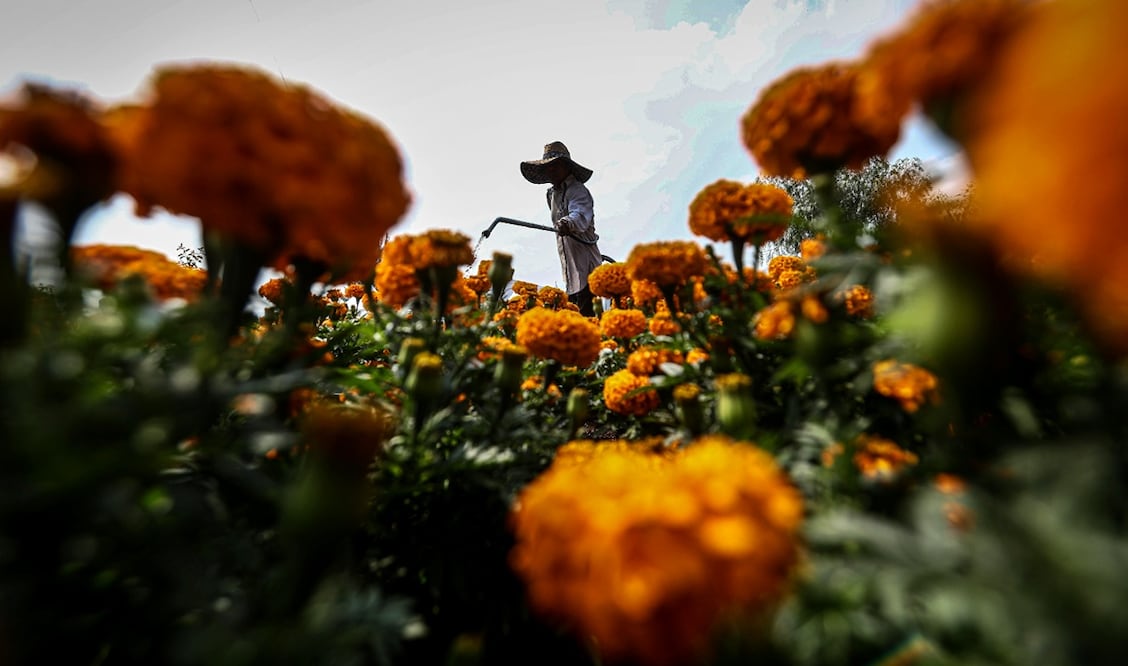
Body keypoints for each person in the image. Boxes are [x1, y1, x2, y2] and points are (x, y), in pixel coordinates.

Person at [520, 141, 603, 316]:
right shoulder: (552, 195)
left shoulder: (577, 190)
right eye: (548, 167)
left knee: (589, 320)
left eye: (555, 166)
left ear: (566, 167)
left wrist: (566, 223)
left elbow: (580, 215)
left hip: (587, 270)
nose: (551, 171)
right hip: (570, 271)